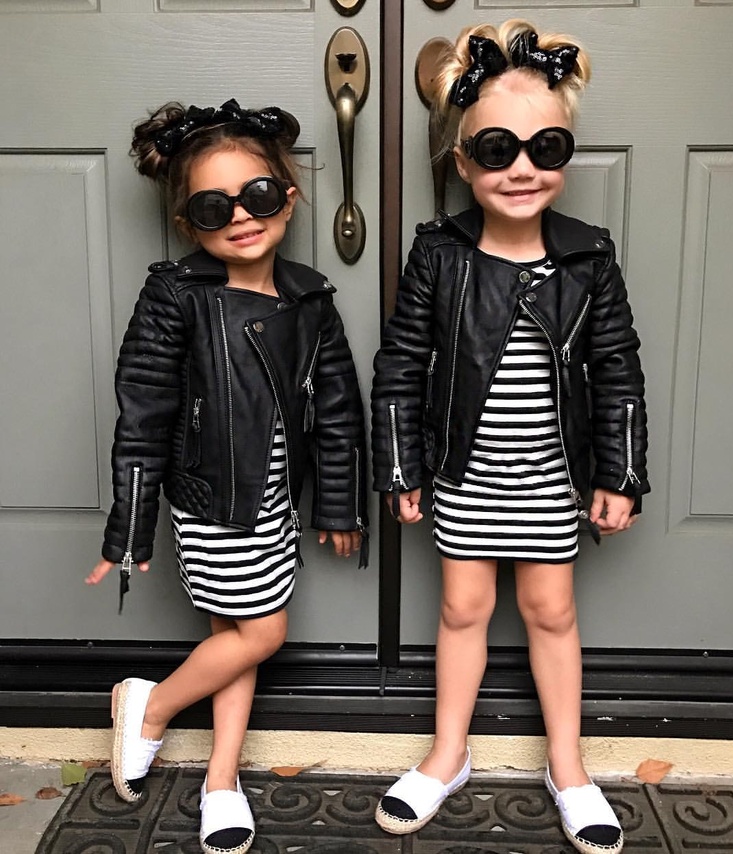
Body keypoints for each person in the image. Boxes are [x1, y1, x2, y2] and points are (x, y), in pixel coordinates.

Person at [370, 21, 648, 854]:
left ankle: (567, 765)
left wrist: (621, 473)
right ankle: (448, 754)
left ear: (565, 154)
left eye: (545, 146)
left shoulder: (588, 258)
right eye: (497, 149)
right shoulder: (439, 254)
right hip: (466, 474)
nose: (522, 167)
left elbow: (618, 367)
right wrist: (400, 466)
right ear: (463, 163)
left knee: (551, 612)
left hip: (552, 478)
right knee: (462, 609)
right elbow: (401, 362)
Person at [86, 98, 368, 854]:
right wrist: (130, 528)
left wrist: (338, 503)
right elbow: (143, 411)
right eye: (215, 207)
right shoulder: (176, 295)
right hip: (211, 500)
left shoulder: (310, 297)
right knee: (261, 633)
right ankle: (150, 707)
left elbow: (338, 406)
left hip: (276, 504)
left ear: (289, 198)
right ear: (190, 224)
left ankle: (220, 779)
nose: (241, 216)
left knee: (234, 634)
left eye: (259, 195)